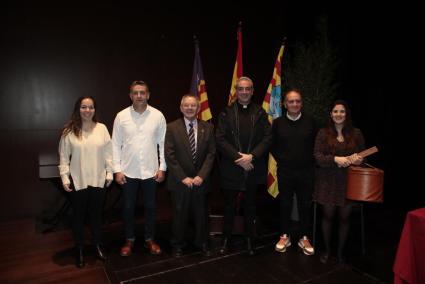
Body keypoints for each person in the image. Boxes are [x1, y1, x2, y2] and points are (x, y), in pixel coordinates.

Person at [216, 76, 272, 256]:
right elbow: (220, 139)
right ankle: (226, 239)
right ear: (236, 91)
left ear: (253, 91)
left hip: (252, 168)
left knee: (250, 206)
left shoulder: (260, 113)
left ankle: (250, 240)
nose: (245, 92)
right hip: (232, 167)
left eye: (248, 89)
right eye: (241, 89)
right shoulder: (226, 112)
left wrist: (252, 157)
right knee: (229, 206)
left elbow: (268, 138)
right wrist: (239, 158)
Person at [111, 80, 166, 256]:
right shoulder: (121, 117)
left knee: (150, 207)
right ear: (130, 96)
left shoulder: (158, 116)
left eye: (142, 92)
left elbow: (163, 144)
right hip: (128, 171)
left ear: (148, 95)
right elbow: (115, 145)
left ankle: (150, 239)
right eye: (136, 93)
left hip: (151, 171)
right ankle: (129, 240)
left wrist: (162, 167)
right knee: (128, 207)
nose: (139, 96)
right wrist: (117, 169)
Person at [58, 96, 112, 268]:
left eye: (90, 107)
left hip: (98, 179)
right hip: (78, 180)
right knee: (79, 218)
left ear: (95, 110)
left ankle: (97, 245)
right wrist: (65, 177)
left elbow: (108, 154)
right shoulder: (69, 131)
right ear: (78, 109)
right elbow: (64, 157)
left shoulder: (102, 129)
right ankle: (80, 249)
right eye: (83, 107)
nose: (87, 110)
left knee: (96, 216)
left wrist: (109, 173)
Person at [313, 99, 365, 264]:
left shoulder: (356, 133)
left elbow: (362, 156)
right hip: (327, 181)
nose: (338, 114)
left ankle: (341, 254)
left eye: (342, 111)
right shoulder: (323, 133)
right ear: (331, 114)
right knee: (327, 217)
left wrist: (358, 160)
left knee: (344, 218)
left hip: (349, 182)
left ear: (346, 114)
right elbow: (318, 157)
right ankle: (327, 251)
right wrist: (336, 159)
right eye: (335, 111)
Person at [165, 94, 216, 257]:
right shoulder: (171, 127)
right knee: (179, 215)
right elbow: (169, 155)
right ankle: (177, 245)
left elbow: (211, 154)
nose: (189, 108)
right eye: (186, 105)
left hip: (201, 180)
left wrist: (201, 176)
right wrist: (183, 177)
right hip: (179, 181)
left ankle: (202, 243)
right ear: (181, 108)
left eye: (193, 105)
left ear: (198, 108)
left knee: (201, 215)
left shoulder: (208, 128)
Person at [271, 89, 317, 256]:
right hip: (285, 171)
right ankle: (285, 235)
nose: (295, 104)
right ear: (285, 104)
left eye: (297, 101)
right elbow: (273, 146)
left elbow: (315, 146)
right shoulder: (277, 123)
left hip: (306, 171)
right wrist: (284, 159)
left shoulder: (311, 122)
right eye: (291, 101)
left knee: (305, 204)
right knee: (285, 204)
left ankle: (304, 237)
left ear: (301, 103)